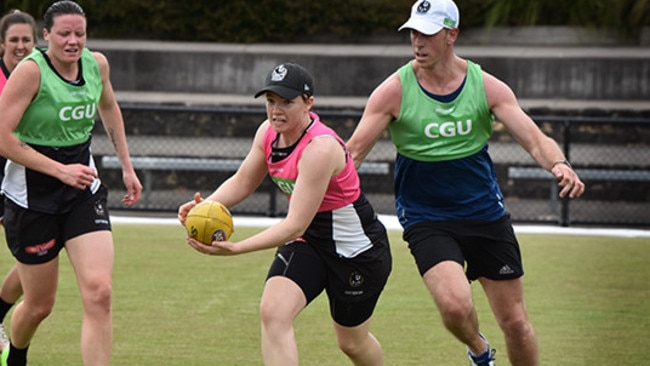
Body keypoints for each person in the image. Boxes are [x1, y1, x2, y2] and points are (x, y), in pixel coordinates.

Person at [346, 0, 586, 365]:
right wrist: (315, 193)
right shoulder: (392, 91)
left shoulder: (486, 86)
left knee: (517, 323)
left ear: (451, 34)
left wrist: (559, 163)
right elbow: (353, 153)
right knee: (455, 307)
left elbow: (535, 138)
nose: (417, 42)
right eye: (413, 32)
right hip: (426, 218)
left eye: (427, 33)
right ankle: (479, 351)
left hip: (484, 214)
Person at [178, 62, 392, 366]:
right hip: (308, 242)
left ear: (309, 103)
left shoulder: (320, 149)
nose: (276, 110)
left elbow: (294, 224)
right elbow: (242, 181)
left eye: (287, 102)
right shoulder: (268, 133)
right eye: (271, 101)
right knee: (273, 312)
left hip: (356, 251)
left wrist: (237, 248)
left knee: (352, 343)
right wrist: (204, 206)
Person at [0, 1, 142, 365]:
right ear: (45, 36)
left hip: (82, 192)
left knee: (99, 293)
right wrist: (59, 170)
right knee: (38, 306)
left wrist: (127, 165)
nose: (73, 41)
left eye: (80, 33)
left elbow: (109, 107)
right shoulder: (31, 72)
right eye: (64, 33)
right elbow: (2, 138)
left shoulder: (97, 64)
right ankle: (16, 354)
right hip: (32, 199)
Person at [0, 10, 38, 353]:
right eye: (14, 40)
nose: (21, 46)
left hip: (22, 179)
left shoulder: (42, 75)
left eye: (27, 39)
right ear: (2, 44)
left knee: (32, 263)